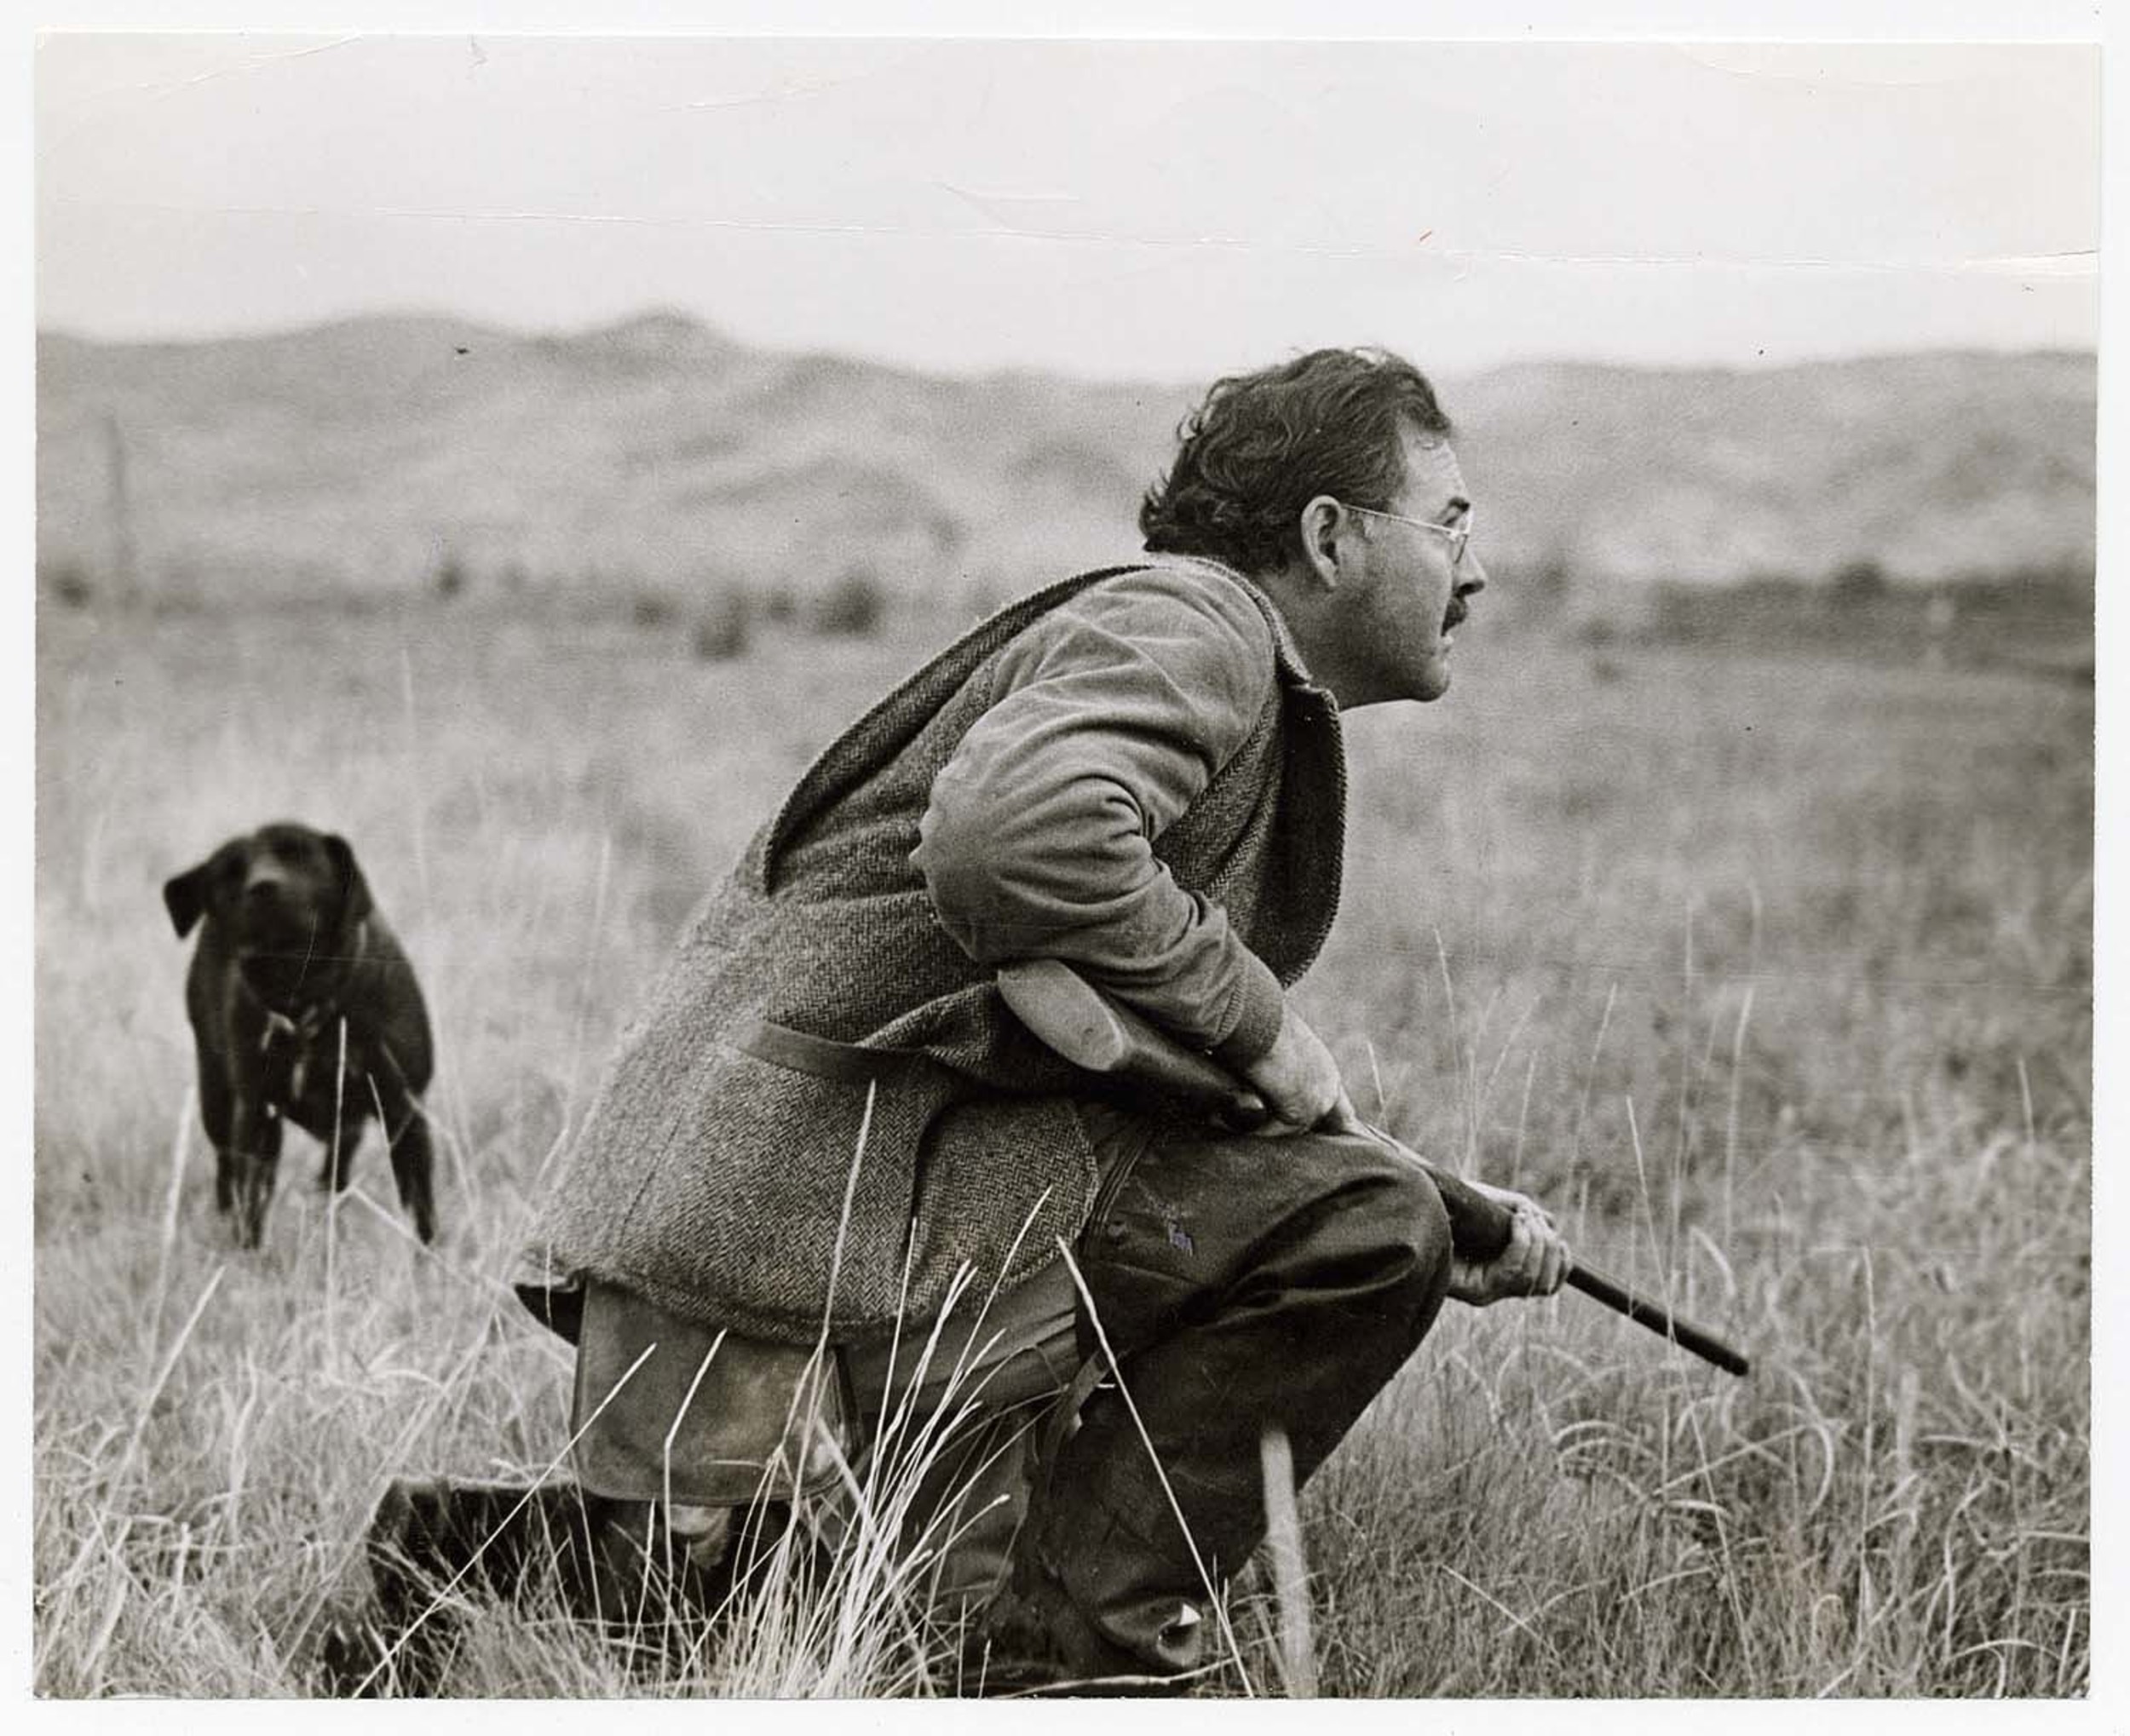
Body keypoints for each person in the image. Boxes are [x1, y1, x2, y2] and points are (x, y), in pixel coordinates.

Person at [345, 345, 1569, 1697]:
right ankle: (1075, 1661)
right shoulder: (1199, 625)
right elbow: (1012, 836)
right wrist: (1274, 1041)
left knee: (772, 1620)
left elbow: (1107, 1029)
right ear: (1328, 536)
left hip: (814, 1199)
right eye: (1451, 522)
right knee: (1359, 1238)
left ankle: (466, 1567)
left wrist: (1412, 1183)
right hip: (817, 1208)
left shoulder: (1195, 643)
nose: (1476, 570)